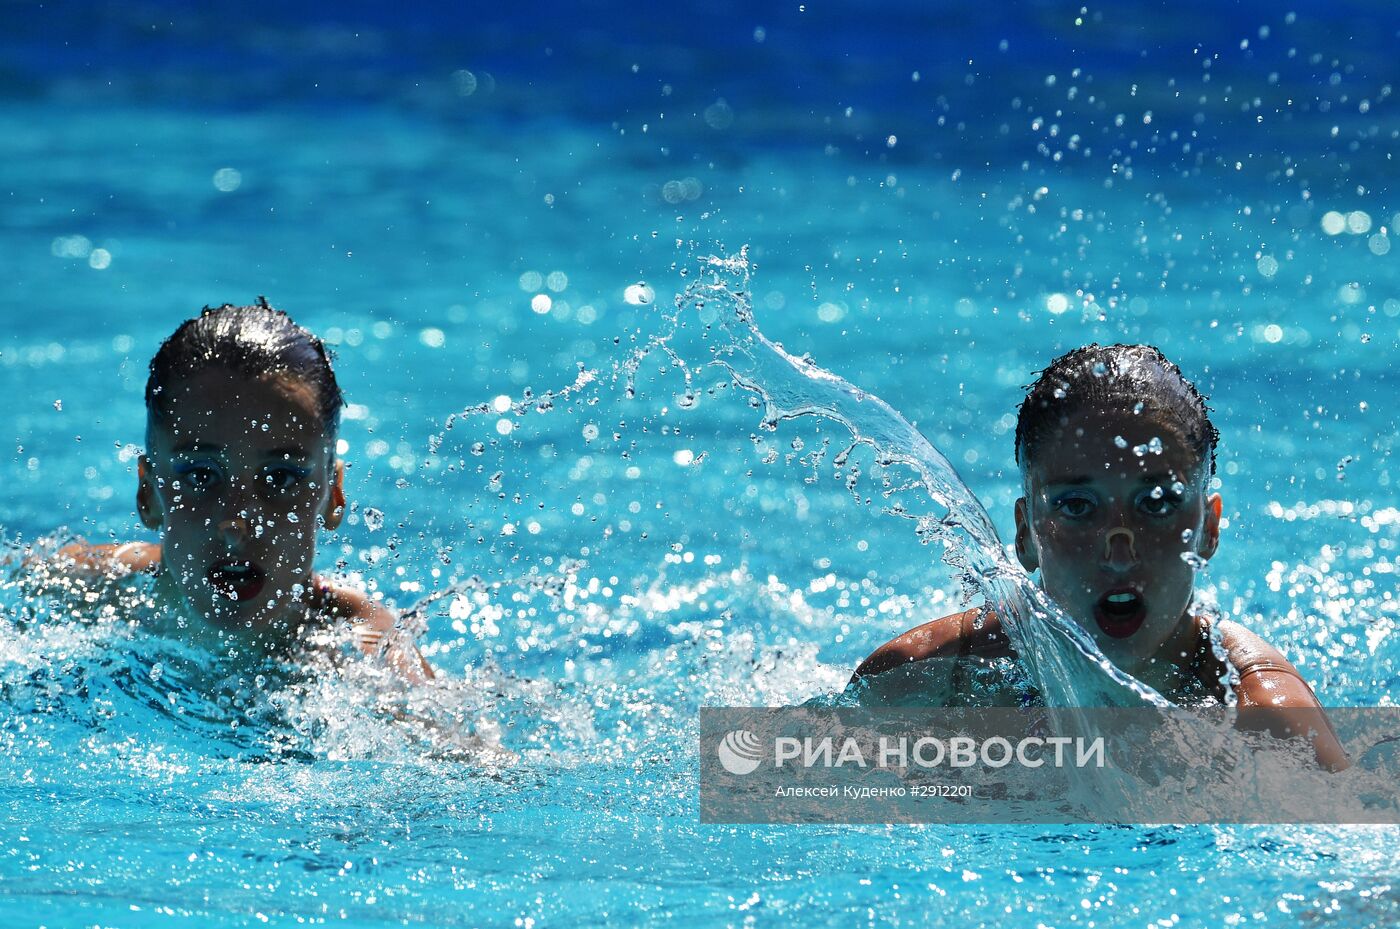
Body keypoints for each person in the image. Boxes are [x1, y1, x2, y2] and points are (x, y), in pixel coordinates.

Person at [849, 343, 1346, 769]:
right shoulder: (926, 682)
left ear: (1207, 529)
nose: (1119, 549)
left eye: (1156, 504)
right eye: (1078, 507)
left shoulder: (1263, 719)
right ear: (1025, 535)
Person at [43, 300, 433, 683]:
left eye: (281, 478)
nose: (236, 524)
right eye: (200, 476)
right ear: (148, 492)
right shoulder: (85, 589)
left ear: (333, 495)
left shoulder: (370, 660)